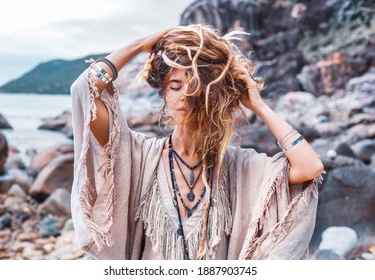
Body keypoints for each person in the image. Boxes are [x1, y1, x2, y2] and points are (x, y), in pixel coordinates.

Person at [70, 24, 324, 260]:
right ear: (164, 94)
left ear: (213, 96)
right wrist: (139, 45)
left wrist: (258, 106)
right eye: (176, 86)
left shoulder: (241, 168)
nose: (186, 96)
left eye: (196, 87)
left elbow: (310, 167)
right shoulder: (139, 155)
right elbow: (85, 90)